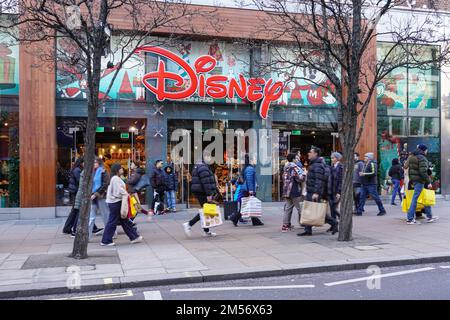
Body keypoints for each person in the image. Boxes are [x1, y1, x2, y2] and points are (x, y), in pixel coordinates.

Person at [298, 147, 338, 236]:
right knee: (311, 210)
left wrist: (316, 192)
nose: (308, 153)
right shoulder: (314, 164)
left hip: (313, 192)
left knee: (316, 210)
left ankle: (334, 222)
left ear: (315, 154)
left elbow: (319, 180)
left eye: (310, 152)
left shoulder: (317, 165)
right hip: (311, 191)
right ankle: (308, 230)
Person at [101, 163, 143, 246]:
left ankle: (134, 237)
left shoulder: (115, 178)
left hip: (115, 202)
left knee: (124, 220)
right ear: (117, 170)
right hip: (115, 202)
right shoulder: (115, 179)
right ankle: (106, 240)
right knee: (113, 221)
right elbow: (118, 191)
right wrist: (126, 194)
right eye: (121, 168)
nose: (122, 169)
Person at [183, 151, 218, 237]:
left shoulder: (199, 165)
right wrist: (209, 194)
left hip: (200, 191)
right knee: (204, 210)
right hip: (202, 192)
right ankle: (189, 224)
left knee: (205, 210)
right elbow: (205, 181)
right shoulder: (203, 167)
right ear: (205, 157)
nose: (210, 159)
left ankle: (206, 231)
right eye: (209, 157)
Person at [405, 144, 438, 225]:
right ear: (423, 150)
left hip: (413, 180)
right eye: (426, 150)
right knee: (415, 199)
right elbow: (423, 171)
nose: (427, 151)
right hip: (420, 180)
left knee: (423, 197)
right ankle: (410, 218)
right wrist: (429, 181)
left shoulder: (412, 156)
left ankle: (429, 216)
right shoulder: (422, 158)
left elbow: (406, 166)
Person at [229, 155, 264, 227]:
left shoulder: (246, 168)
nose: (255, 160)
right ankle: (234, 218)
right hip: (247, 190)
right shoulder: (250, 169)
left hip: (245, 189)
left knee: (249, 205)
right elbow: (249, 180)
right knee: (246, 206)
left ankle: (255, 221)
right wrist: (251, 190)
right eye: (254, 159)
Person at [281, 153, 305, 232]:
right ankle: (306, 223)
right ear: (293, 159)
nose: (297, 159)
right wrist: (304, 173)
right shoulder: (294, 167)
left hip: (286, 191)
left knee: (288, 208)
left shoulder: (286, 167)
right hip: (294, 190)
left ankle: (285, 226)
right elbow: (300, 178)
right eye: (296, 158)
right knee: (300, 208)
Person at [88, 157, 110, 237]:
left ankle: (111, 233)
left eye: (95, 162)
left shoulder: (103, 171)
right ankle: (87, 236)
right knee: (91, 217)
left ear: (99, 163)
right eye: (93, 162)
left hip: (101, 197)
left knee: (105, 216)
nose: (94, 164)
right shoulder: (92, 172)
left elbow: (105, 184)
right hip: (93, 197)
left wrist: (96, 194)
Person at [63, 157, 84, 234]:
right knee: (76, 210)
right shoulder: (78, 170)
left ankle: (67, 228)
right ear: (81, 163)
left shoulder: (76, 169)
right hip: (75, 192)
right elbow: (80, 181)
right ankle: (69, 228)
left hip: (74, 191)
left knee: (75, 210)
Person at [330, 152, 343, 220]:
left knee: (333, 207)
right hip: (332, 190)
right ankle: (334, 224)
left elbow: (341, 181)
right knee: (332, 207)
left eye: (333, 158)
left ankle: (341, 218)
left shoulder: (340, 167)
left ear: (337, 159)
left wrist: (339, 192)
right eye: (331, 158)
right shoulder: (332, 166)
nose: (332, 159)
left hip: (336, 190)